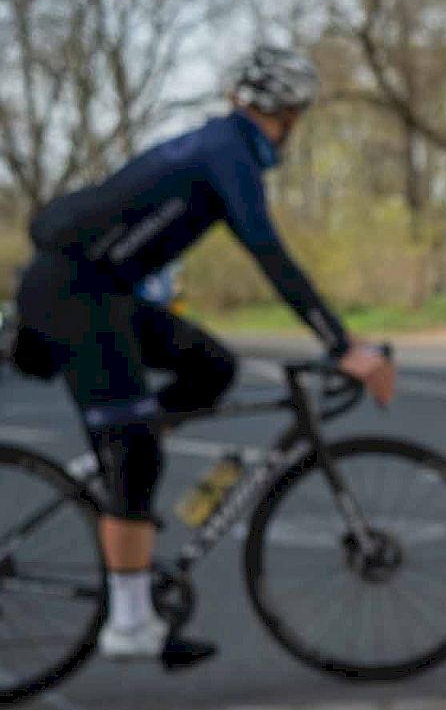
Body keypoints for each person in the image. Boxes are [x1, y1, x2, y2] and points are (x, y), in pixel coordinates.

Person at [13, 46, 395, 668]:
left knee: (212, 368)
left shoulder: (217, 145)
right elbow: (267, 252)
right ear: (285, 115)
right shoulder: (227, 153)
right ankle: (130, 625)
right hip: (75, 298)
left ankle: (119, 450)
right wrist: (342, 344)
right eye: (294, 117)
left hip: (99, 293)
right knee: (136, 453)